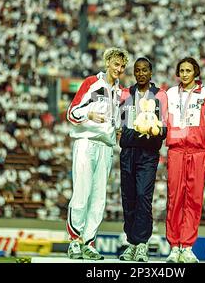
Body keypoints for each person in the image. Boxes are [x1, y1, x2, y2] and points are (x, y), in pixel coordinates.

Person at [65, 47, 129, 260]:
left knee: (99, 198)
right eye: (116, 64)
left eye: (122, 66)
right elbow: (71, 113)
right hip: (86, 142)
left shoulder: (122, 93)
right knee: (82, 192)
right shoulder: (92, 82)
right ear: (107, 63)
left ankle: (88, 242)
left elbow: (119, 123)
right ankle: (75, 240)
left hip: (106, 147)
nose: (118, 69)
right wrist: (89, 113)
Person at [165, 57, 205, 263]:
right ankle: (174, 246)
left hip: (198, 153)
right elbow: (162, 123)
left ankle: (187, 247)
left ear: (195, 72)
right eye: (181, 70)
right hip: (175, 152)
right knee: (175, 199)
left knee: (194, 200)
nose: (184, 74)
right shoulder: (170, 94)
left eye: (188, 70)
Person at [118, 57, 168, 262]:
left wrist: (146, 133)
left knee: (143, 197)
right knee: (128, 199)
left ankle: (142, 244)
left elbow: (163, 130)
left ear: (151, 72)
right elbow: (121, 134)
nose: (141, 74)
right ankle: (131, 243)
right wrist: (142, 133)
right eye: (137, 70)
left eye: (145, 70)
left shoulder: (160, 96)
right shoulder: (125, 95)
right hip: (128, 154)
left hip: (148, 156)